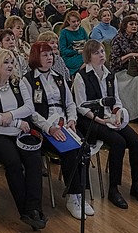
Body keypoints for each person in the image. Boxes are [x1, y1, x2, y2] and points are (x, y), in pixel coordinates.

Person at [0, 49, 47, 230]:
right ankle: (25, 210)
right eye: (6, 62)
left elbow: (29, 107)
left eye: (12, 62)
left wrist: (9, 115)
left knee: (34, 160)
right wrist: (15, 121)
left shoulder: (18, 82)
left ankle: (35, 208)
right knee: (13, 162)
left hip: (20, 132)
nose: (10, 66)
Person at [73, 41, 138, 207]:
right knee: (118, 142)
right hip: (91, 120)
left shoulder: (109, 74)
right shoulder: (81, 76)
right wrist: (101, 120)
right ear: (89, 56)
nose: (101, 55)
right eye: (96, 53)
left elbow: (116, 100)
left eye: (102, 52)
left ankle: (136, 185)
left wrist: (117, 113)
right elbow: (81, 106)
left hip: (109, 118)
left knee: (136, 141)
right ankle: (114, 188)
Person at [24, 41, 89, 219]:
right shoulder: (28, 80)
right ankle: (72, 197)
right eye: (44, 55)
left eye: (51, 54)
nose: (49, 58)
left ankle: (80, 193)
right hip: (44, 127)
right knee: (69, 151)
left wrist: (72, 120)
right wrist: (49, 128)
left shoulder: (58, 77)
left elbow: (69, 103)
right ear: (36, 57)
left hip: (64, 123)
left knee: (84, 147)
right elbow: (32, 112)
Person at [109, 14, 138, 121]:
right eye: (131, 24)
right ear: (125, 26)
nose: (134, 26)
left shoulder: (137, 38)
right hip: (119, 72)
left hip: (132, 70)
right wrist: (130, 55)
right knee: (137, 82)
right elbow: (114, 62)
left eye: (136, 24)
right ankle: (134, 114)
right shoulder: (118, 39)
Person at [58, 11, 88, 76]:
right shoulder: (64, 32)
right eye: (73, 22)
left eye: (78, 21)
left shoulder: (82, 30)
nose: (76, 23)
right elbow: (63, 50)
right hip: (70, 57)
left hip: (83, 54)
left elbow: (88, 42)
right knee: (87, 62)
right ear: (68, 21)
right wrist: (77, 52)